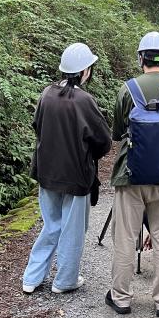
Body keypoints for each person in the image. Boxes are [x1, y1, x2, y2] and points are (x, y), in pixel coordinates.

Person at [106, 31, 159, 318]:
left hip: (129, 177)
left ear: (141, 57)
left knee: (125, 237)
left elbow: (117, 133)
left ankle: (121, 297)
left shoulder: (127, 90)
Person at [22, 43, 111, 295]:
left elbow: (37, 126)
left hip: (46, 172)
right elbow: (103, 140)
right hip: (77, 176)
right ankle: (64, 281)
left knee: (50, 224)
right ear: (85, 72)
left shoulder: (46, 94)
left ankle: (32, 277)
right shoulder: (84, 100)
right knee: (73, 229)